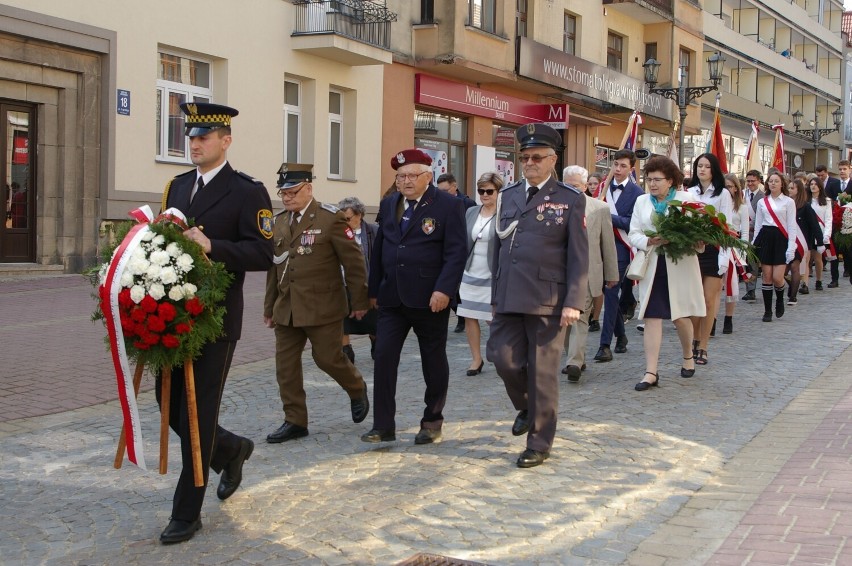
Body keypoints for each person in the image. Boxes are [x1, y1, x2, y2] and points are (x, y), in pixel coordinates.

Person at [156, 102, 274, 544]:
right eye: (191, 136)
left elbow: (263, 254)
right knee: (168, 405)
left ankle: (187, 512)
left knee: (198, 412)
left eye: (204, 136)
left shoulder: (247, 191)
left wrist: (214, 245)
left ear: (226, 141)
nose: (195, 143)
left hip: (217, 320)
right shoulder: (177, 186)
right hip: (173, 318)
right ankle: (231, 449)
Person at [486, 123, 589, 468]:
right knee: (503, 358)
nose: (528, 163)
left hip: (549, 297)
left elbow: (578, 255)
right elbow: (496, 248)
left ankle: (539, 443)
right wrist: (493, 292)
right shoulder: (508, 195)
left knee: (543, 373)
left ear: (552, 160)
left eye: (536, 157)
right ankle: (528, 407)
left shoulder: (570, 199)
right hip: (509, 293)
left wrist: (574, 301)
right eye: (524, 157)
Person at [361, 149, 467, 445]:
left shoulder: (448, 205)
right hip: (392, 297)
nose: (405, 182)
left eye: (411, 176)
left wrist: (444, 289)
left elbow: (457, 251)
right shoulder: (389, 203)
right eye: (400, 176)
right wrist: (373, 290)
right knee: (382, 357)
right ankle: (383, 425)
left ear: (428, 177)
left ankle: (432, 420)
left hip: (430, 298)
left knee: (432, 361)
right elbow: (380, 246)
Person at [263, 164, 370, 445]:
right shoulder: (278, 222)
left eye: (292, 192)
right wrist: (268, 307)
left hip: (323, 305)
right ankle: (295, 420)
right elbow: (274, 268)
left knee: (327, 358)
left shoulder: (330, 218)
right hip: (287, 307)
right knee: (285, 367)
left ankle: (357, 387)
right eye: (283, 192)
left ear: (308, 188)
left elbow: (354, 262)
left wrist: (358, 301)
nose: (286, 197)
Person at [628, 156, 705, 391]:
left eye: (657, 180)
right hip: (653, 265)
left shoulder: (687, 200)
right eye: (648, 179)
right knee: (651, 316)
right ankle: (651, 371)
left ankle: (688, 355)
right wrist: (649, 239)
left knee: (681, 316)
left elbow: (699, 231)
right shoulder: (641, 201)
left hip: (679, 263)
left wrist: (690, 239)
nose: (652, 184)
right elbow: (633, 233)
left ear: (670, 181)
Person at [560, 165, 618, 381]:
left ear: (585, 187)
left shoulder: (599, 209)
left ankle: (574, 362)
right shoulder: (554, 207)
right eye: (567, 185)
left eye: (575, 186)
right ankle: (574, 357)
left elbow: (608, 244)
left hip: (586, 272)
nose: (571, 190)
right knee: (564, 319)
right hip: (558, 272)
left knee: (580, 317)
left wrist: (611, 274)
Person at [595, 149, 642, 363]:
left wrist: (608, 215)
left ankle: (605, 345)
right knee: (608, 294)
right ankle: (621, 336)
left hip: (622, 248)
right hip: (600, 247)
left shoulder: (637, 193)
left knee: (611, 291)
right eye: (616, 165)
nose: (618, 169)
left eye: (623, 166)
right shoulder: (603, 188)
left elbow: (632, 223)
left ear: (631, 169)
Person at [686, 153, 733, 366]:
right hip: (693, 251)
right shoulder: (689, 192)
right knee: (695, 301)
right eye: (699, 166)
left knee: (707, 299)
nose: (702, 169)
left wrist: (725, 256)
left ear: (713, 170)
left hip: (714, 249)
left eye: (706, 166)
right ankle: (694, 340)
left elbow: (727, 227)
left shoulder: (723, 194)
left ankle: (704, 345)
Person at [458, 172, 502, 376]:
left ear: (498, 191)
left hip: (493, 273)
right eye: (481, 190)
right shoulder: (471, 212)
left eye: (489, 191)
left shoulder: (505, 213)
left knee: (493, 319)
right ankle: (476, 359)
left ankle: (498, 352)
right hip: (470, 272)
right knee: (469, 316)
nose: (484, 194)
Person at [338, 196, 379, 362]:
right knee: (343, 321)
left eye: (348, 218)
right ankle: (346, 352)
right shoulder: (338, 232)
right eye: (342, 219)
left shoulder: (372, 231)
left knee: (373, 322)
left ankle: (377, 345)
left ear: (359, 215)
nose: (345, 222)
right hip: (342, 285)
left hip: (367, 285)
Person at [752, 171, 797, 322]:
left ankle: (779, 299)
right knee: (767, 276)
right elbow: (758, 225)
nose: (773, 183)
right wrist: (754, 246)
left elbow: (791, 226)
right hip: (766, 238)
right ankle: (767, 311)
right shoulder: (762, 202)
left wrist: (791, 247)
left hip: (781, 239)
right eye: (771, 181)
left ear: (782, 184)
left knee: (778, 277)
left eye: (776, 181)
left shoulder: (788, 202)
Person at [436, 172, 474, 333]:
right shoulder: (437, 203)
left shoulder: (467, 203)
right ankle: (460, 316)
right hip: (445, 249)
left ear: (455, 186)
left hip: (464, 249)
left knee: (460, 287)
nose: (442, 194)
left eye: (445, 191)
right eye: (439, 191)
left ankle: (464, 317)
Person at [721, 174, 751, 334]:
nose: (728, 189)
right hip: (719, 244)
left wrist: (742, 253)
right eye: (725, 186)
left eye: (730, 186)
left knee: (731, 284)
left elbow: (745, 233)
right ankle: (711, 319)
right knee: (716, 284)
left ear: (736, 188)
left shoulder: (742, 207)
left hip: (734, 246)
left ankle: (728, 318)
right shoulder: (718, 203)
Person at [786, 178, 823, 305]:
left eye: (792, 188)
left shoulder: (805, 206)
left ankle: (793, 296)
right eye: (789, 188)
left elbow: (814, 225)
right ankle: (792, 284)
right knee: (784, 271)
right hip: (786, 241)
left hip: (801, 242)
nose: (789, 190)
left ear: (799, 190)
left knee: (795, 267)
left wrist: (821, 242)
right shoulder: (784, 204)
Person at [741, 170, 765, 301]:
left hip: (756, 234)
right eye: (748, 181)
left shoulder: (763, 196)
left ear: (759, 181)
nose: (750, 183)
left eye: (753, 181)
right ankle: (748, 288)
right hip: (742, 233)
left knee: (752, 263)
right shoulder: (741, 195)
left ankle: (751, 290)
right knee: (744, 263)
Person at [585, 173, 604, 331]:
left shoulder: (603, 201)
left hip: (599, 248)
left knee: (598, 286)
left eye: (595, 183)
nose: (592, 186)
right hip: (586, 248)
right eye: (589, 184)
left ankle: (596, 317)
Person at [807, 176, 832, 291]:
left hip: (819, 232)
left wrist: (826, 235)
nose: (813, 186)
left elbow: (828, 219)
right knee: (806, 259)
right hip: (807, 232)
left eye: (815, 184)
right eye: (811, 184)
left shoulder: (826, 201)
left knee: (818, 258)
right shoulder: (806, 200)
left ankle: (819, 280)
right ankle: (804, 282)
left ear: (820, 186)